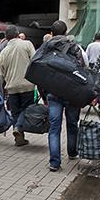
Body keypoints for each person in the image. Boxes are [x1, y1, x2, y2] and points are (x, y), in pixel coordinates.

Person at [41, 20, 86, 172]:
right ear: (66, 32)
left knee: (54, 128)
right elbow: (81, 70)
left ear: (51, 33)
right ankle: (72, 152)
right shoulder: (74, 47)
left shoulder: (46, 48)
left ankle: (54, 162)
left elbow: (39, 72)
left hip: (53, 93)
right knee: (72, 124)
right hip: (72, 94)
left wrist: (43, 95)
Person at [0, 25, 36, 147]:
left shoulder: (4, 52)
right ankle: (18, 128)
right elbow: (35, 61)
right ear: (18, 34)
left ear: (6, 37)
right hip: (27, 85)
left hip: (11, 87)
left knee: (15, 112)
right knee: (26, 109)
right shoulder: (27, 44)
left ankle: (19, 138)